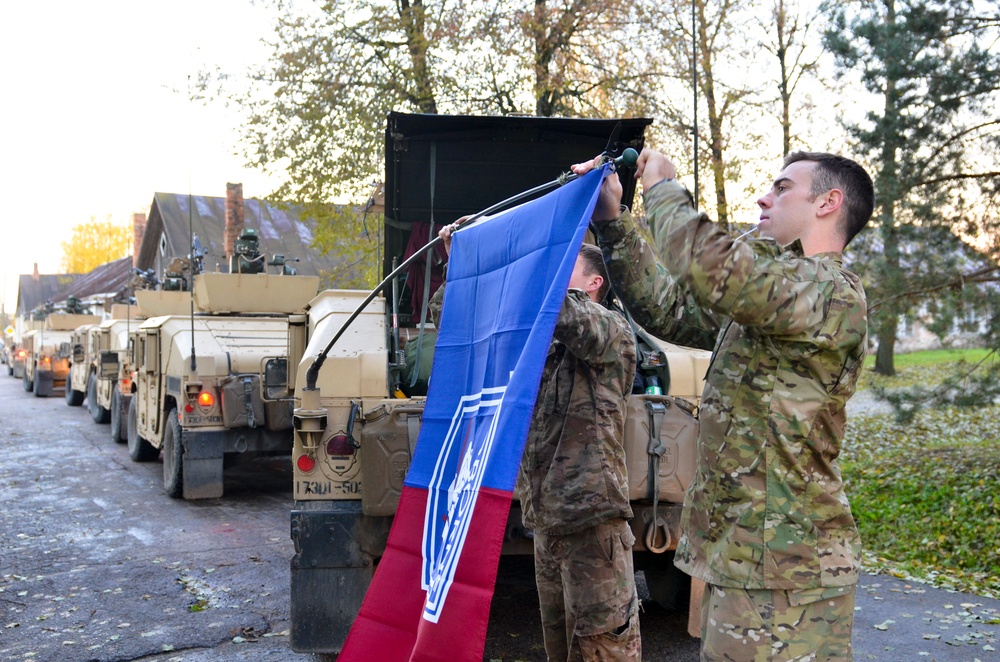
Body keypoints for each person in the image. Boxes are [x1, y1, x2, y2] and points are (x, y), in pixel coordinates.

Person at [573, 149, 875, 660]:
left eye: (781, 188)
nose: (764, 196)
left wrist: (663, 188)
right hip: (740, 558)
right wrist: (612, 221)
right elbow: (664, 308)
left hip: (788, 572)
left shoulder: (829, 293)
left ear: (829, 202)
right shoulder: (770, 298)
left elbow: (716, 268)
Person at [433, 225, 641, 661]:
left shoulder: (610, 333)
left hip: (592, 526)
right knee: (560, 652)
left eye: (563, 268)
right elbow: (455, 320)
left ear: (593, 283)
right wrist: (469, 267)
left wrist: (514, 262)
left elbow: (561, 311)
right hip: (547, 524)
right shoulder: (536, 346)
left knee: (604, 651)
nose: (551, 274)